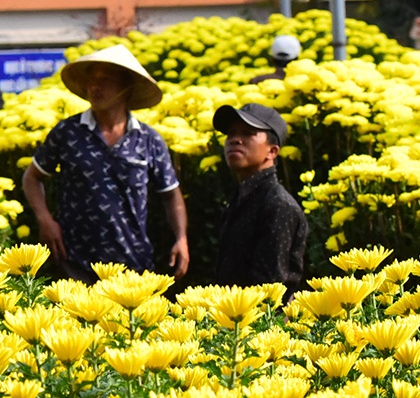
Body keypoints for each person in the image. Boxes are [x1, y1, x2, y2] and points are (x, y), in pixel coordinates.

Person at [21, 45, 188, 281]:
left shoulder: (148, 140)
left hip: (133, 264)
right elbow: (32, 177)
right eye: (92, 80)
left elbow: (171, 193)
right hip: (75, 262)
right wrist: (45, 220)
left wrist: (181, 238)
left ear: (126, 88)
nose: (95, 87)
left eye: (105, 80)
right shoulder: (68, 132)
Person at [210, 102, 307, 292]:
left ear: (272, 151)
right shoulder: (241, 197)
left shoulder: (277, 205)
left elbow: (269, 287)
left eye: (247, 133)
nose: (235, 140)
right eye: (231, 133)